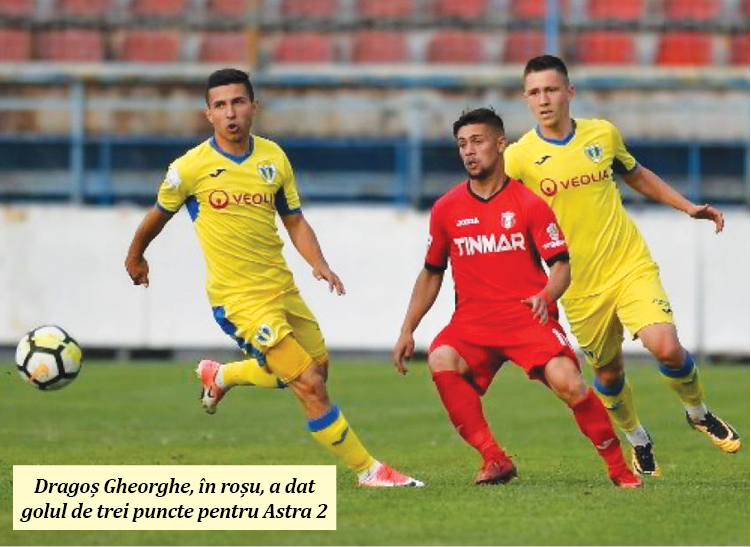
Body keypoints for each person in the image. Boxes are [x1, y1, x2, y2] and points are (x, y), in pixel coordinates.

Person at [125, 68, 423, 488]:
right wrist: (136, 255)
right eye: (220, 105)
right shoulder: (189, 168)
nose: (230, 112)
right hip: (239, 300)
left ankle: (222, 376)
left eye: (238, 102)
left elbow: (294, 220)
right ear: (208, 114)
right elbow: (158, 214)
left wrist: (319, 262)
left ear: (254, 106)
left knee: (318, 369)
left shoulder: (273, 158)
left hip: (281, 289)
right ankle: (369, 471)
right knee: (309, 384)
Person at [504, 55, 741, 477]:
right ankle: (638, 438)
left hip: (628, 263)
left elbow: (636, 174)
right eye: (535, 92)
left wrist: (687, 206)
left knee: (666, 346)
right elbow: (501, 213)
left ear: (569, 92)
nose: (544, 99)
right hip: (578, 285)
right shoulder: (518, 157)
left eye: (551, 89)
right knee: (609, 374)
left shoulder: (602, 133)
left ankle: (698, 413)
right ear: (525, 99)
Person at [392, 107, 641, 488]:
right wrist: (408, 328)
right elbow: (431, 272)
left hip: (528, 317)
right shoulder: (446, 209)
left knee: (570, 383)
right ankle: (493, 458)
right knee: (441, 358)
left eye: (477, 141)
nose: (469, 151)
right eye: (462, 144)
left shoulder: (529, 203)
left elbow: (561, 267)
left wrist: (545, 295)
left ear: (500, 144)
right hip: (473, 322)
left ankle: (619, 469)